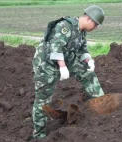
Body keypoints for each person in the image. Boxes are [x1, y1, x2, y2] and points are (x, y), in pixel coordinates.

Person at [31, 5, 105, 139]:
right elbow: (56, 47)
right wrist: (63, 67)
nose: (96, 28)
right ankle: (38, 133)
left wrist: (89, 60)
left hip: (66, 57)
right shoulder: (65, 26)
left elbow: (82, 49)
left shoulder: (81, 32)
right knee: (43, 99)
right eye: (96, 24)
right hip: (46, 63)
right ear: (89, 19)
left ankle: (101, 102)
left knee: (87, 73)